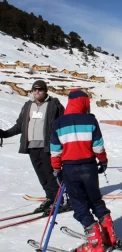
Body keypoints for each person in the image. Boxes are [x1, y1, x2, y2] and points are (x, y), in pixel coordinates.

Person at [50, 89, 117, 252]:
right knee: (95, 200)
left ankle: (95, 242)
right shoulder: (91, 121)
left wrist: (56, 168)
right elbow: (98, 145)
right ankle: (109, 234)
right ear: (84, 103)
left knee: (79, 204)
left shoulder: (58, 123)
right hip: (89, 166)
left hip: (70, 168)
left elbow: (55, 150)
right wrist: (103, 160)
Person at [0, 80, 70, 215]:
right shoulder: (28, 106)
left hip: (48, 146)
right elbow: (20, 125)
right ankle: (51, 197)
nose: (37, 92)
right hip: (32, 146)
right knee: (41, 175)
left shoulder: (54, 105)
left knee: (50, 174)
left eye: (40, 90)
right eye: (34, 90)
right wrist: (4, 133)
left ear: (45, 91)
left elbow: (63, 124)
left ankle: (59, 200)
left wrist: (65, 144)